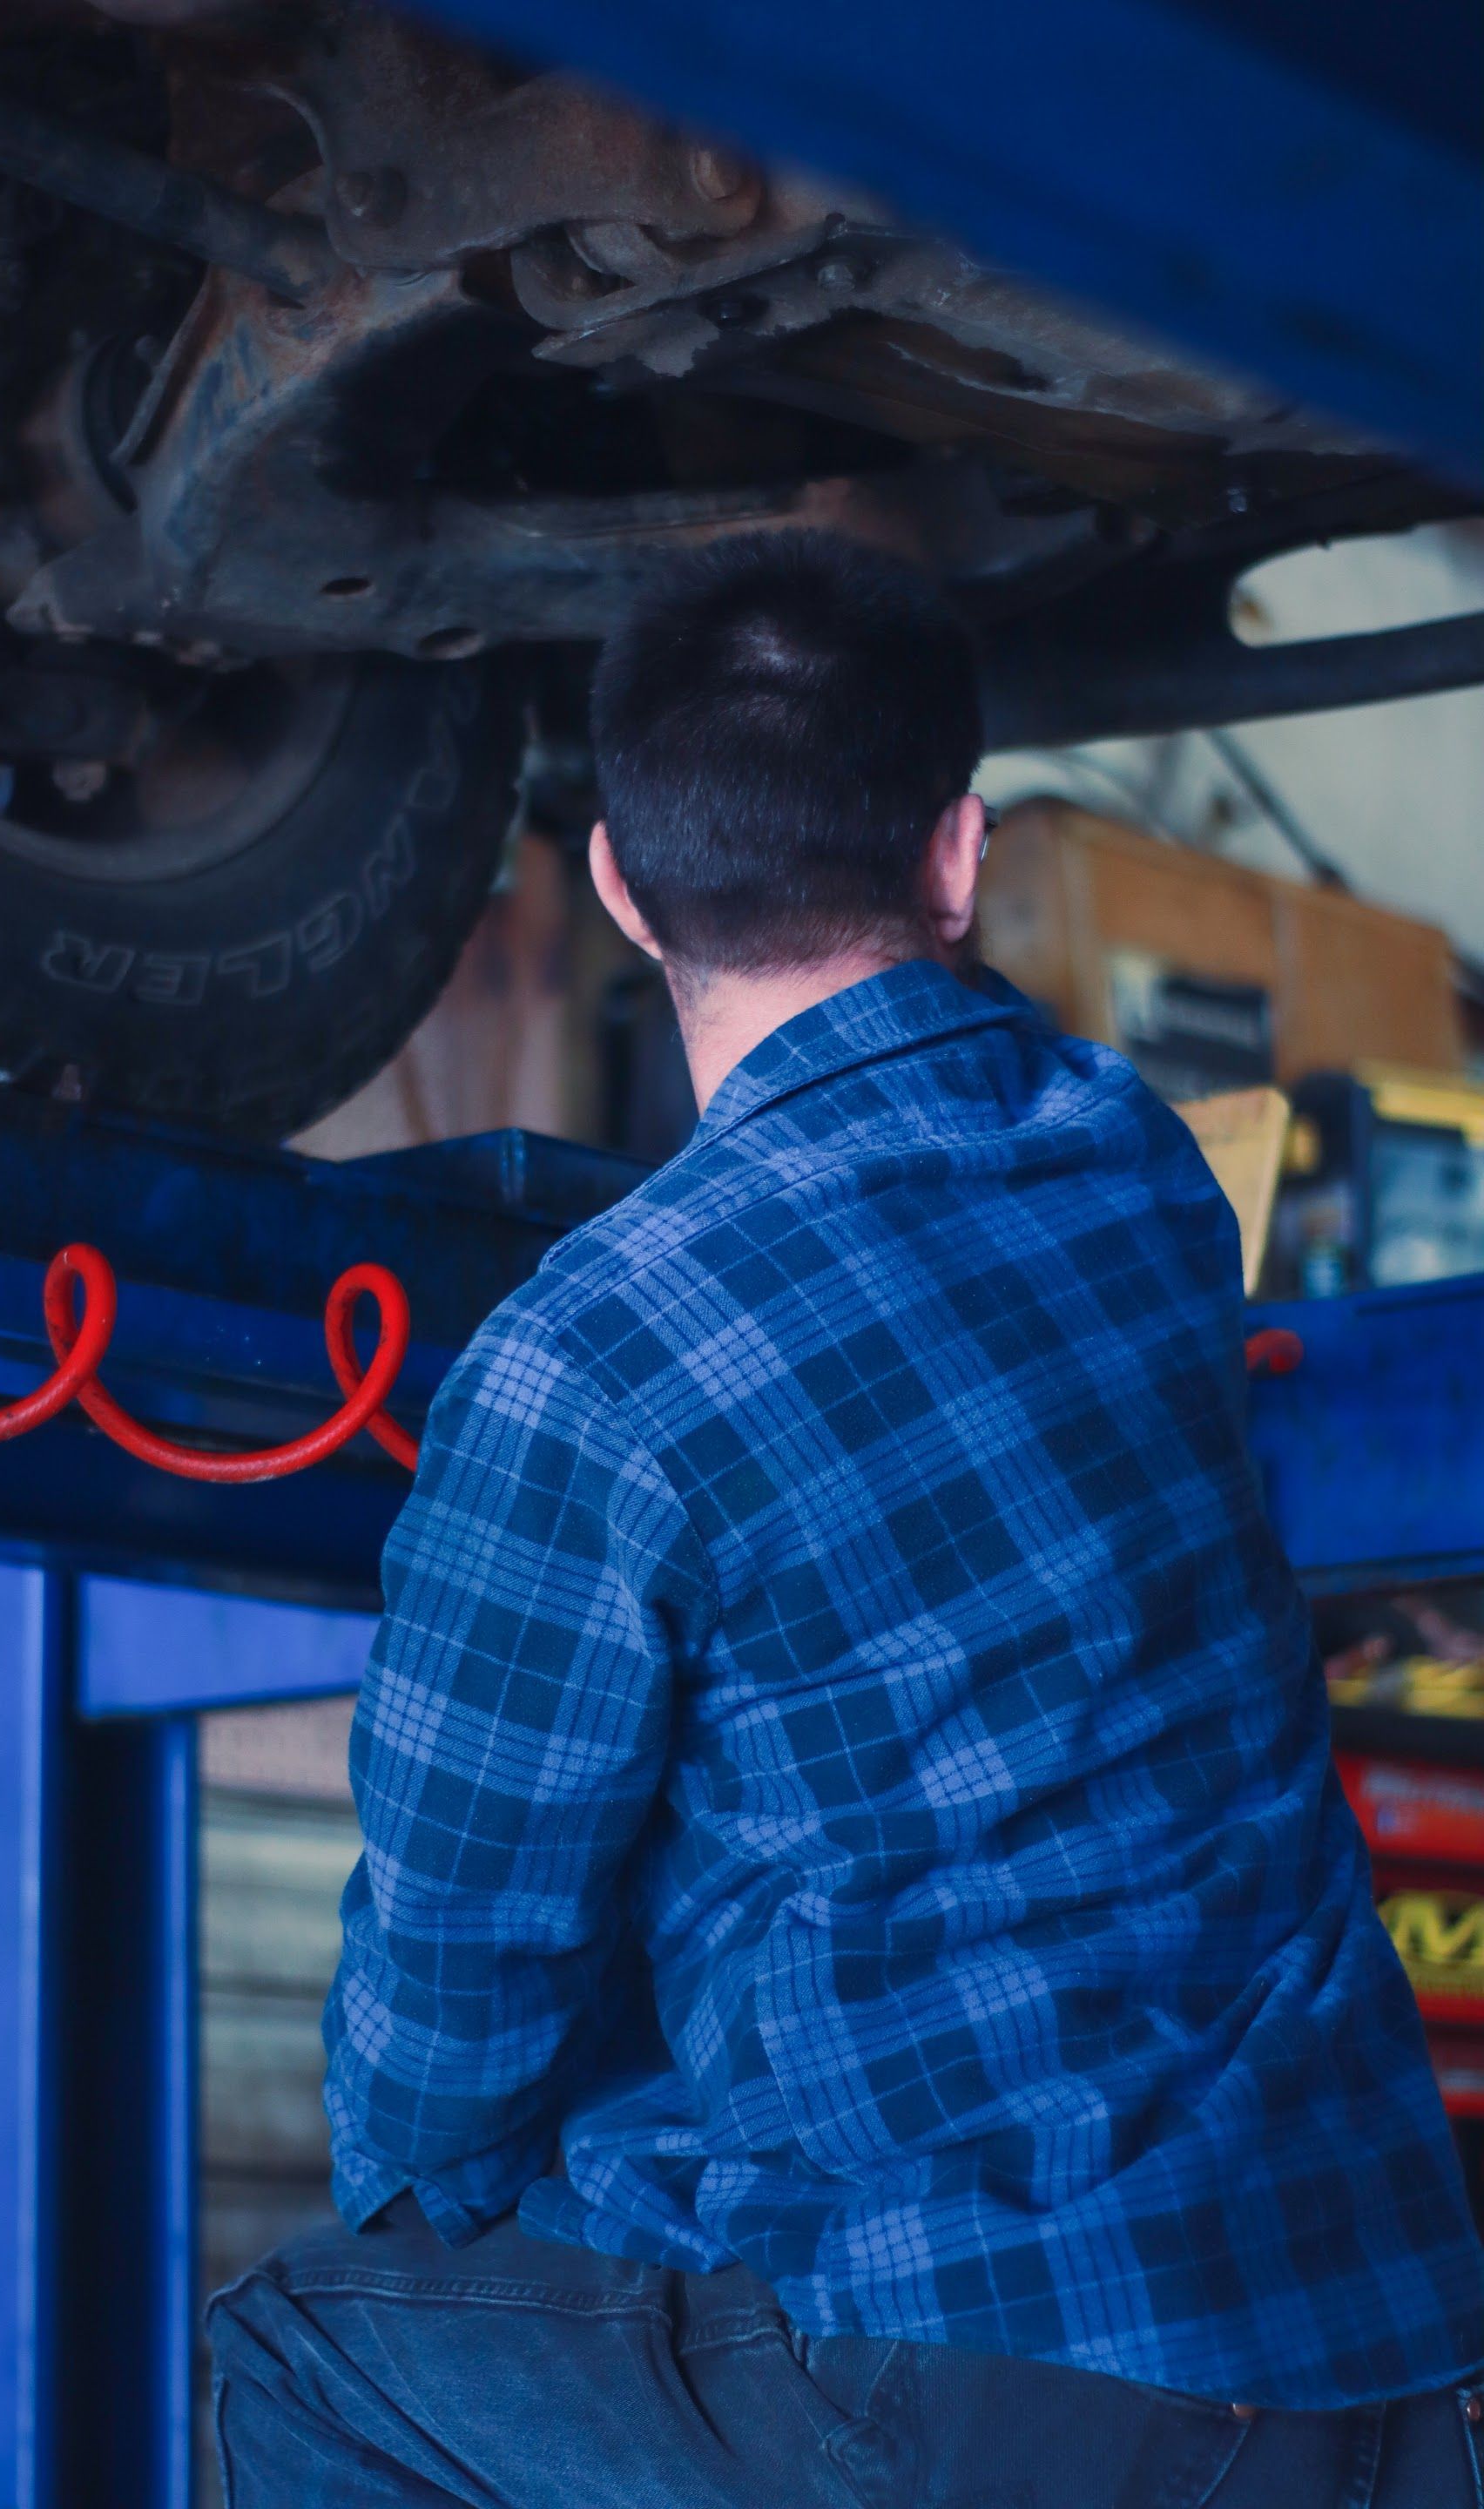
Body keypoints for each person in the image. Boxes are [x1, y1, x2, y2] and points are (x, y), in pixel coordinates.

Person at [209, 533, 1484, 2507]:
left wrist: (463, 2182)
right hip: (1373, 2348)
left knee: (310, 2346)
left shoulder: (590, 1358)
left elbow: (456, 1983)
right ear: (960, 855)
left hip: (973, 2377)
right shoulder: (1137, 1177)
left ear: (624, 890)